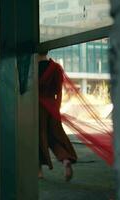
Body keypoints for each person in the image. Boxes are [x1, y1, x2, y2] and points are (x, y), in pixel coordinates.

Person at [38, 51, 77, 182]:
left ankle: (39, 171)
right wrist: (56, 109)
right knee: (55, 137)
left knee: (37, 138)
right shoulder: (55, 68)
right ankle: (65, 159)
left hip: (36, 107)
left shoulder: (32, 68)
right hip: (52, 107)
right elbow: (58, 91)